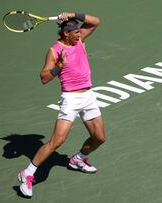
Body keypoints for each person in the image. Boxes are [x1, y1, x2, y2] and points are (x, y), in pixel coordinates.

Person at [17, 12, 105, 197]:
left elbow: (96, 21)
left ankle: (78, 159)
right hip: (70, 99)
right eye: (77, 33)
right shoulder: (54, 50)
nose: (80, 35)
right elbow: (43, 78)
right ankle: (28, 173)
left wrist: (73, 14)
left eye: (81, 33)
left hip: (88, 95)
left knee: (99, 138)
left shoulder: (79, 41)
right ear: (67, 33)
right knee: (57, 141)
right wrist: (60, 66)